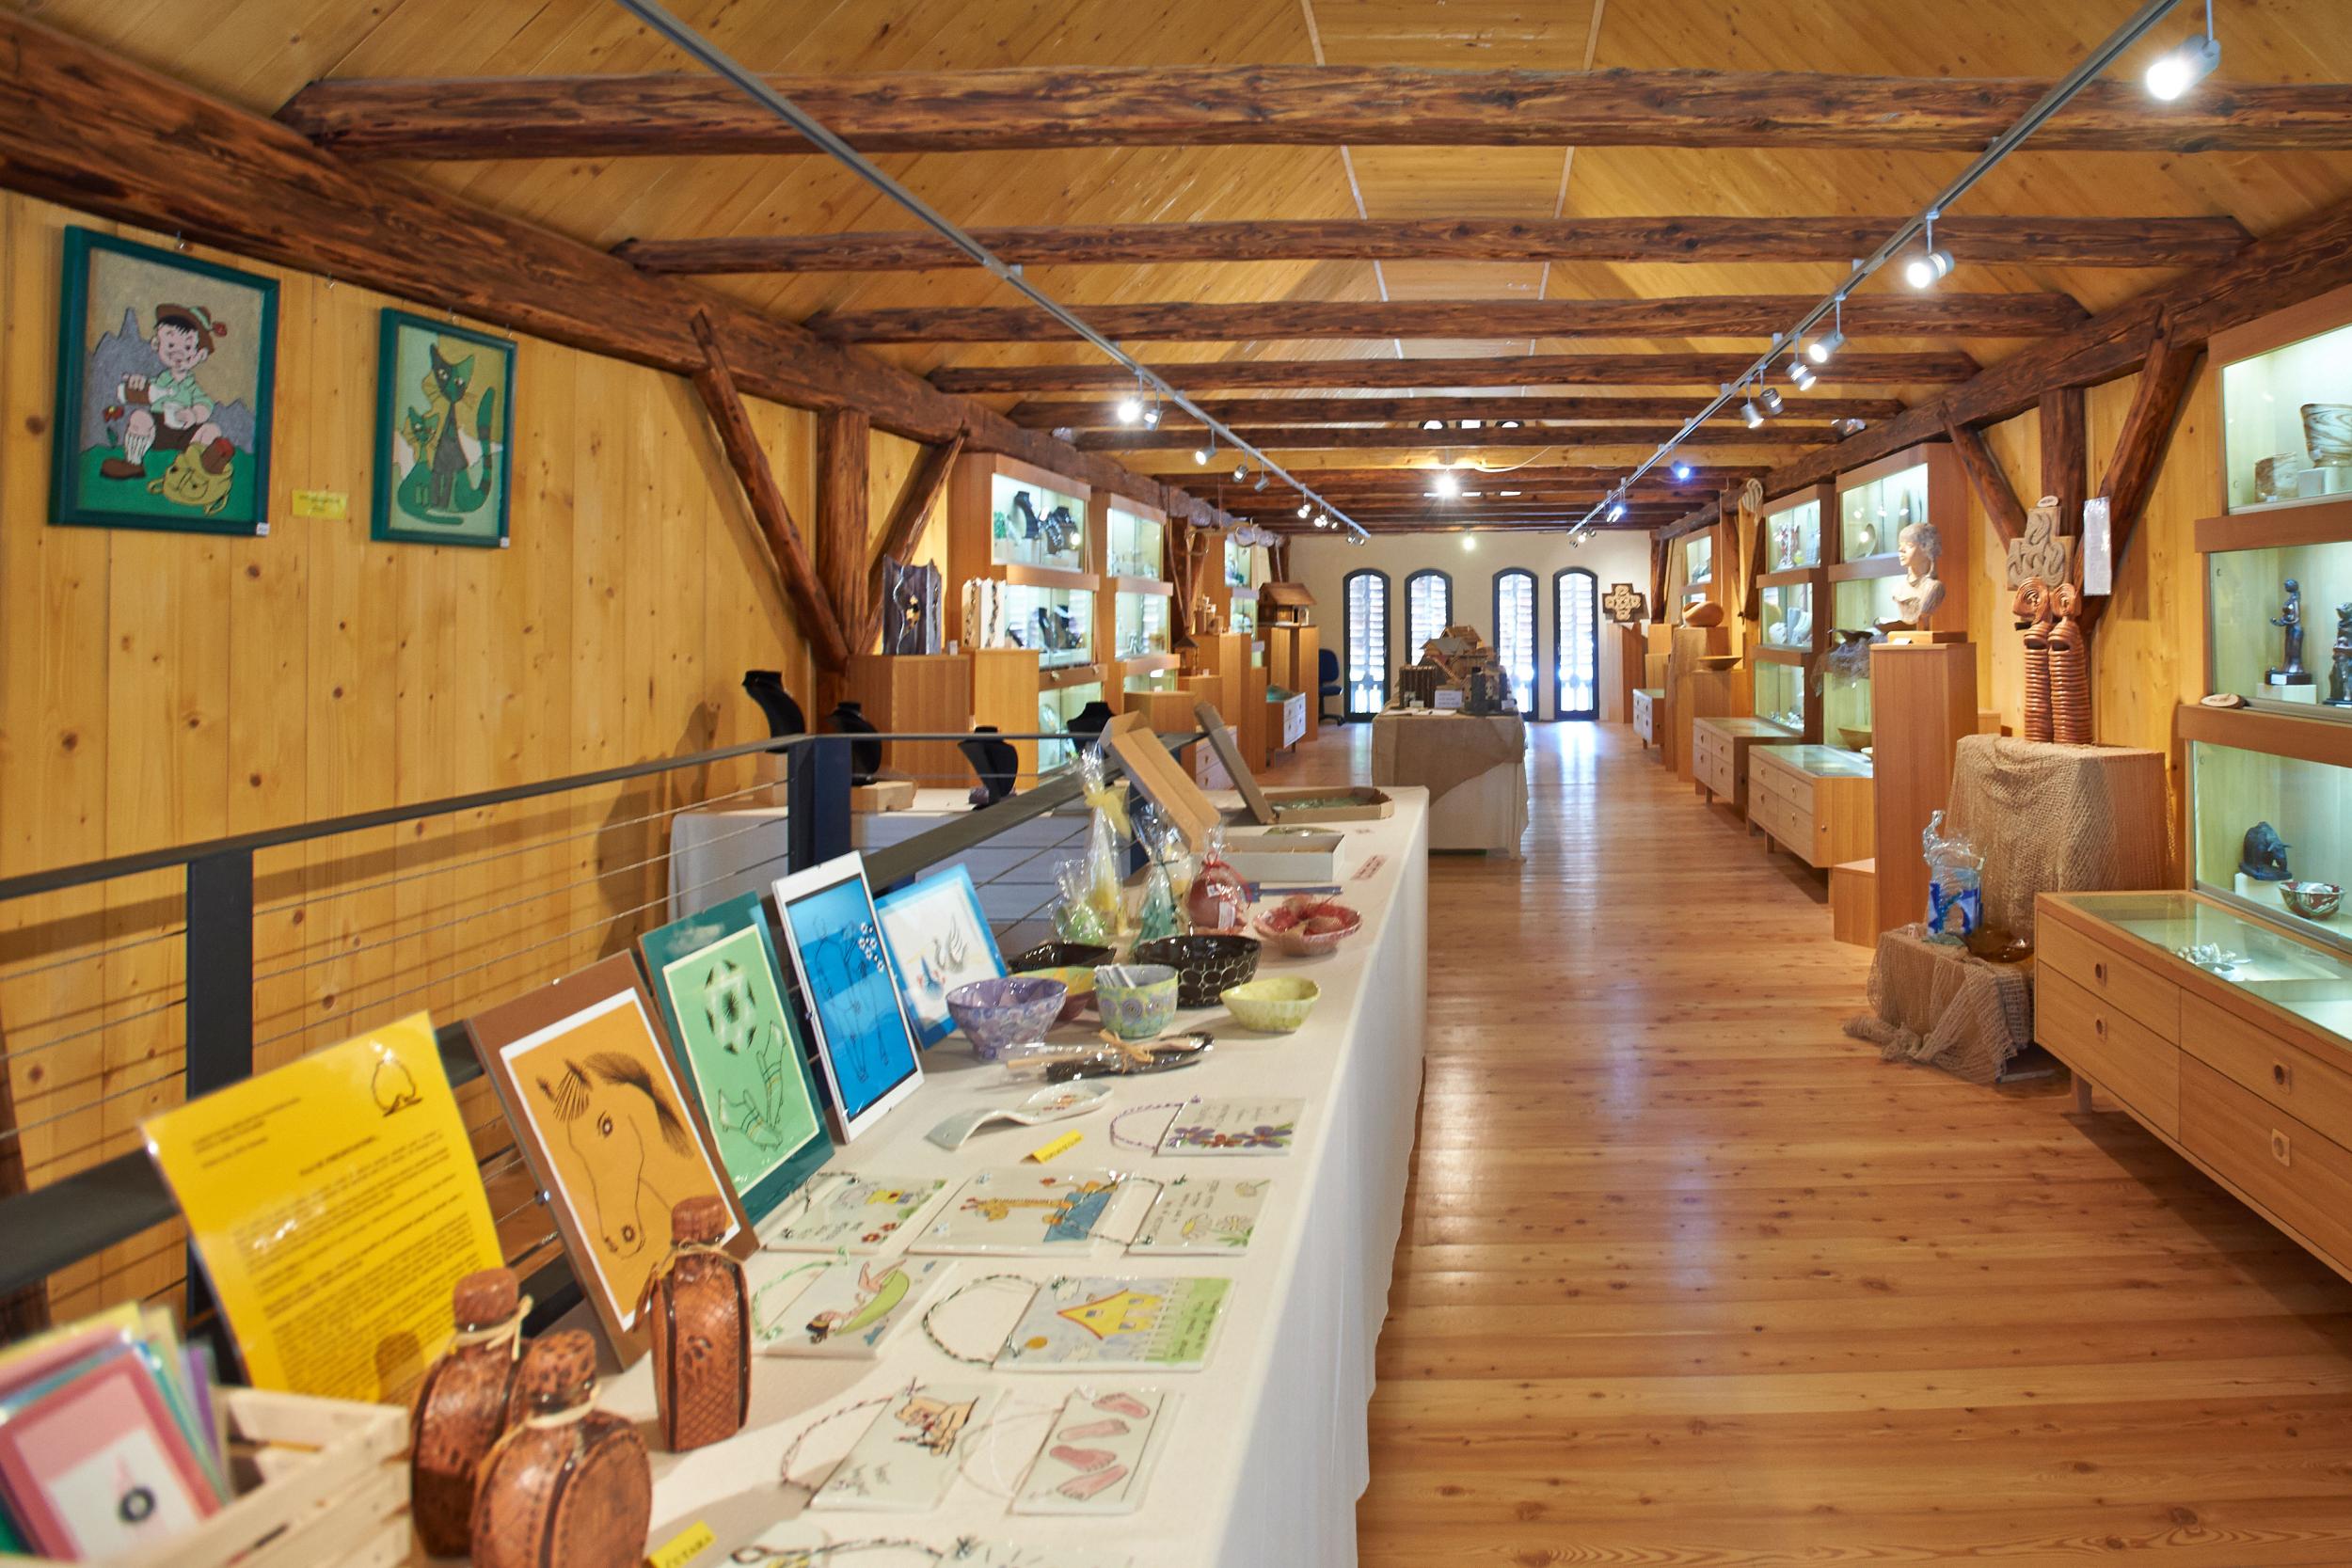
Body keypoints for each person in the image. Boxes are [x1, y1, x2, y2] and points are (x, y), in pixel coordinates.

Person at [101, 303, 235, 482]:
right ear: (157, 344)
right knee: (139, 417)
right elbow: (145, 392)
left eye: (188, 347)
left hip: (187, 433)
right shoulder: (159, 381)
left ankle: (199, 471)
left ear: (200, 355)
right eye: (171, 344)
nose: (178, 353)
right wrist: (137, 383)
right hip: (159, 429)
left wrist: (194, 415)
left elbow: (205, 405)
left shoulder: (192, 387)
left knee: (212, 430)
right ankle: (133, 463)